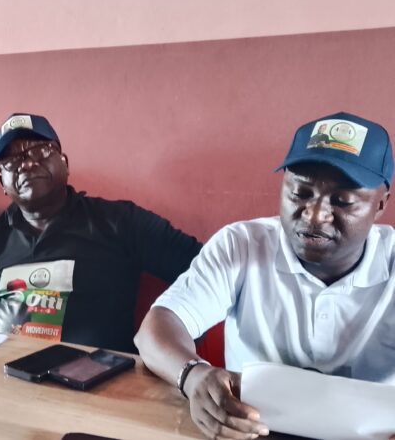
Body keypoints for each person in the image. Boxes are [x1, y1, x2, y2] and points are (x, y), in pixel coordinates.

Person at [135, 112, 395, 440]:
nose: (315, 215)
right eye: (300, 193)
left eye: (342, 201)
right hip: (247, 430)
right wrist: (193, 376)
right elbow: (157, 327)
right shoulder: (242, 244)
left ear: (380, 204)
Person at [0, 113, 202, 352]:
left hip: (96, 378)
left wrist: (169, 338)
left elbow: (203, 269)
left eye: (41, 150)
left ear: (65, 163)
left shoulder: (120, 221)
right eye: (11, 161)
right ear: (3, 182)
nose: (27, 164)